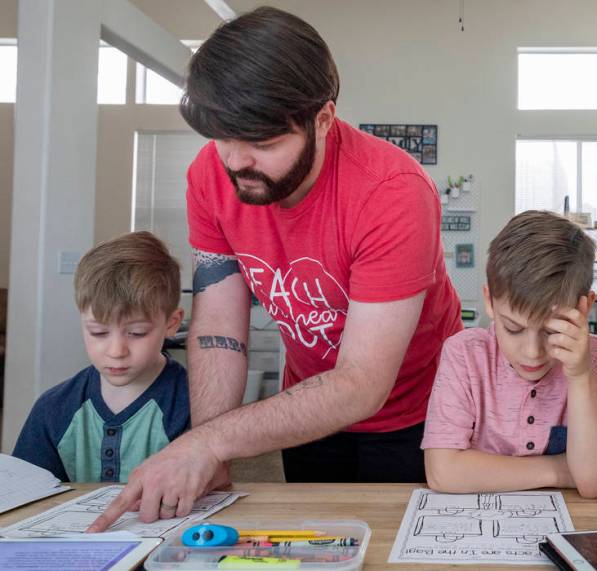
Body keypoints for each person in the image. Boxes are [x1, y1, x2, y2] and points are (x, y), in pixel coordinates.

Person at [88, 7, 460, 531]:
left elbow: (361, 383)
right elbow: (218, 326)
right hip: (307, 409)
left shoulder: (392, 193)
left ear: (323, 119)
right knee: (324, 542)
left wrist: (207, 441)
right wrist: (212, 452)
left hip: (419, 415)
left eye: (263, 144)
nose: (238, 161)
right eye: (223, 138)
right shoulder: (211, 175)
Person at [422, 211, 597, 499]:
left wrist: (580, 377)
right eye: (513, 328)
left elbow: (593, 481)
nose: (532, 353)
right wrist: (560, 470)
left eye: (551, 331)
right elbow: (442, 472)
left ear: (585, 306)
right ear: (489, 301)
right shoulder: (464, 354)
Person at [13, 232, 187, 483]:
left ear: (172, 323)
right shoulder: (53, 409)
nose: (116, 351)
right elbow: (25, 496)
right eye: (99, 332)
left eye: (137, 333)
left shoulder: (192, 407)